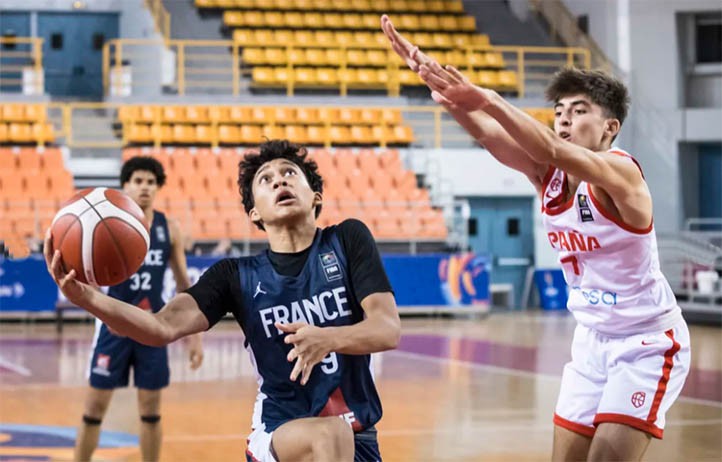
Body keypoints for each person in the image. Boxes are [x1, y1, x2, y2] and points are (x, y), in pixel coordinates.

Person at [380, 15, 690, 462]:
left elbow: (549, 147)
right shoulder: (548, 176)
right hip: (591, 340)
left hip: (646, 341)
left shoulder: (621, 172)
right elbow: (489, 135)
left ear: (610, 127)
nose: (564, 120)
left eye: (578, 110)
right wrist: (441, 88)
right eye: (558, 112)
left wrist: (486, 97)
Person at [47, 140, 401, 462]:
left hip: (358, 437)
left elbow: (387, 329)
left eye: (290, 173)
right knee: (331, 432)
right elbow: (160, 326)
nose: (280, 181)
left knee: (338, 434)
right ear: (254, 214)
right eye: (266, 179)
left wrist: (328, 338)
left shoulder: (347, 240)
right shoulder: (235, 275)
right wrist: (86, 297)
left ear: (316, 197)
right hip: (279, 435)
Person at [73, 156, 204, 462]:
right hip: (112, 330)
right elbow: (87, 276)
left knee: (151, 413)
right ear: (126, 185)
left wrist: (194, 336)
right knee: (93, 411)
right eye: (138, 181)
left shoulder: (168, 227)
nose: (144, 187)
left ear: (157, 188)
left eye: (150, 182)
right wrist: (103, 312)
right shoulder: (106, 224)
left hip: (152, 328)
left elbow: (184, 283)